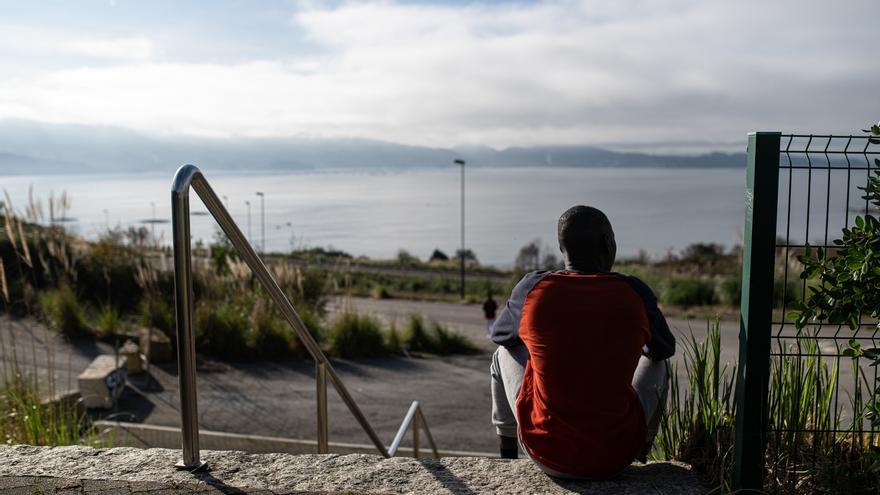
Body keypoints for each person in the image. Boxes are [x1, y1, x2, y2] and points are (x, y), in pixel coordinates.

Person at [489, 205, 675, 479]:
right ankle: (642, 451)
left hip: (546, 453)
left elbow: (502, 336)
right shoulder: (634, 291)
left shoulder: (533, 288)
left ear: (562, 247)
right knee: (658, 364)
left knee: (502, 353)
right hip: (616, 456)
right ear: (607, 243)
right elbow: (663, 348)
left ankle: (506, 454)